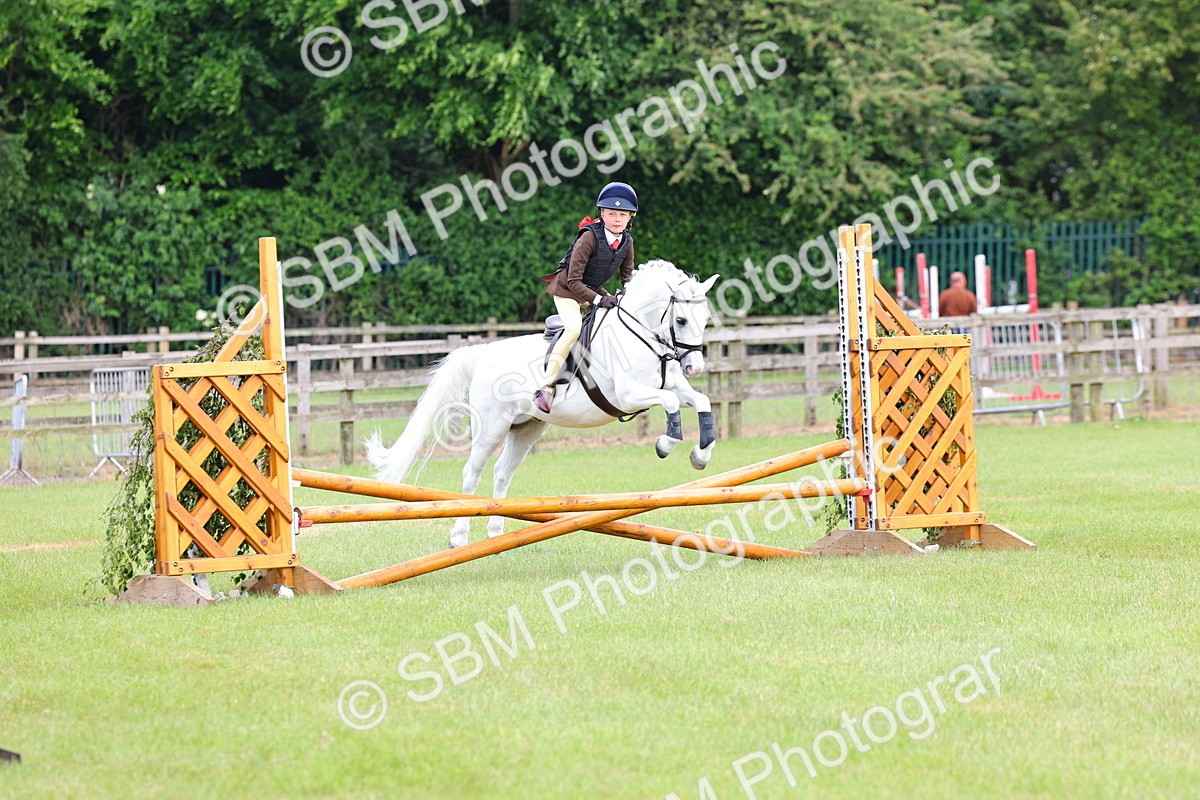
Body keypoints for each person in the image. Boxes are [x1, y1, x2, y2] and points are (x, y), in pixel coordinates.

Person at [533, 182, 638, 413]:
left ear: (630, 217)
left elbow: (628, 279)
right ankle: (546, 386)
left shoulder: (627, 242)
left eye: (622, 214)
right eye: (611, 213)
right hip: (567, 291)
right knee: (573, 329)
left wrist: (626, 298)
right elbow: (573, 281)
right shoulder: (589, 238)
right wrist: (601, 300)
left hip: (591, 290)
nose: (617, 219)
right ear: (602, 213)